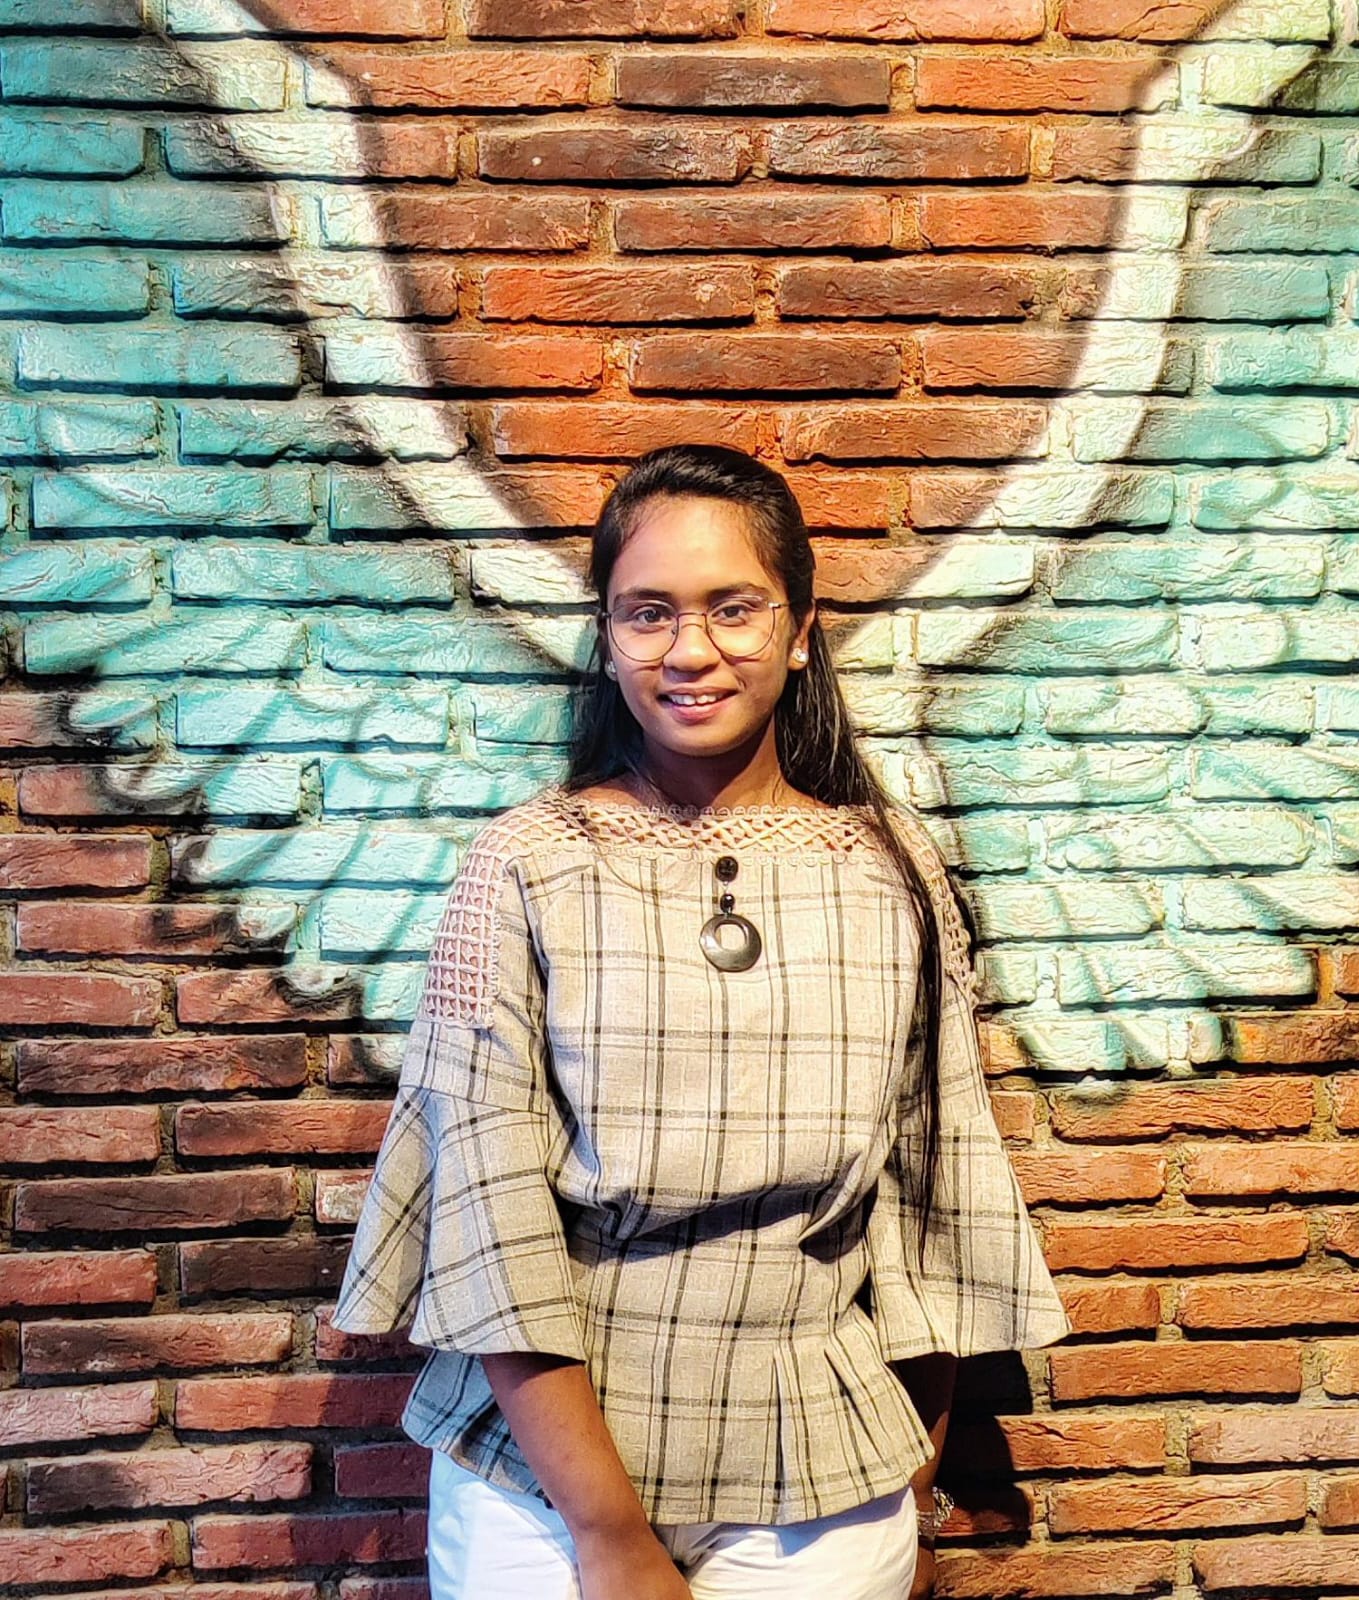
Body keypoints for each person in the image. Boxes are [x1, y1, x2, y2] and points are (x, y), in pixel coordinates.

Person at [332, 445, 1069, 1600]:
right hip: (541, 1472)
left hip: (823, 1456)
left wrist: (912, 1485)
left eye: (733, 608)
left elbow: (935, 1199)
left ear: (800, 628)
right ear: (607, 634)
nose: (689, 649)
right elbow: (488, 1215)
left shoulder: (890, 868)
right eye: (648, 612)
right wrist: (611, 1537)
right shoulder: (526, 862)